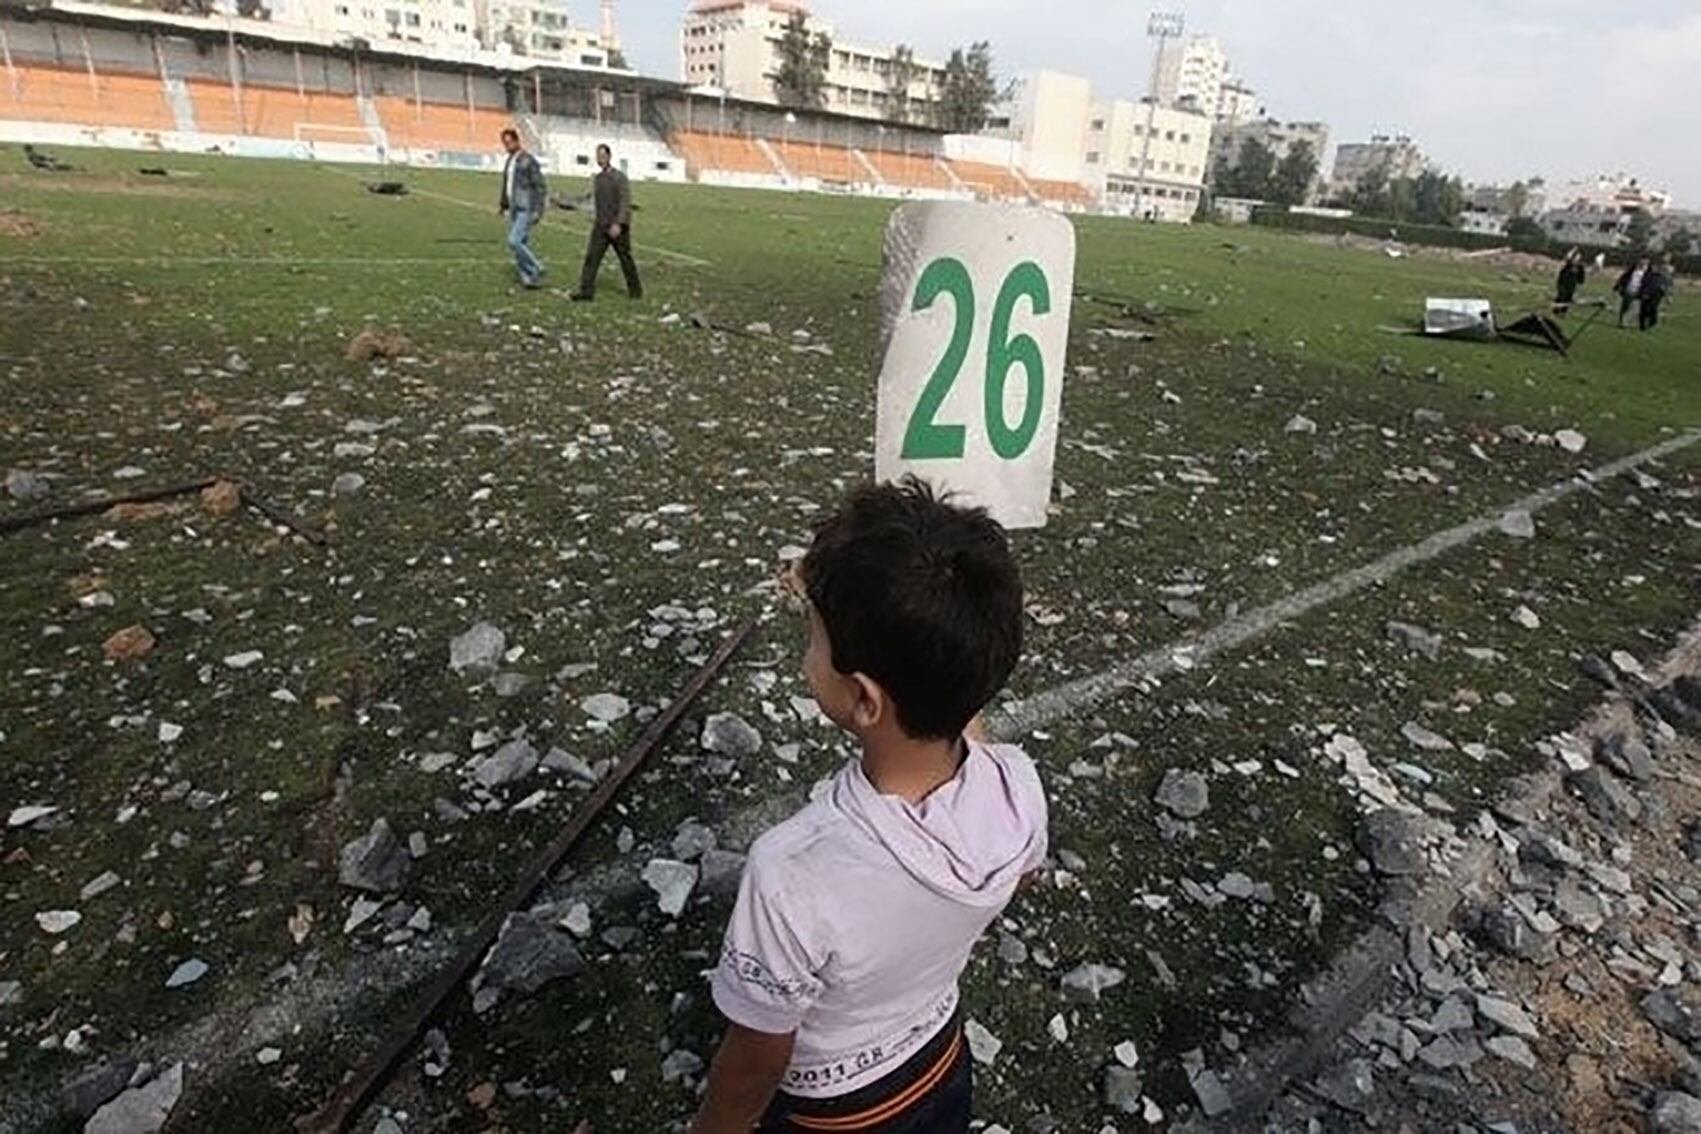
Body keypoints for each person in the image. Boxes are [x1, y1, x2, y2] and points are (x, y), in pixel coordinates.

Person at [689, 479, 1048, 1134]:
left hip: (834, 1113)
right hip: (941, 1069)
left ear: (862, 699)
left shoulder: (790, 870)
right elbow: (1019, 869)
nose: (807, 654)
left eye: (814, 641)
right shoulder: (1016, 786)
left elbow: (758, 1056)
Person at [570, 143, 642, 301]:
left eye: (603, 156)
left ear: (609, 157)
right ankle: (586, 292)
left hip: (617, 227)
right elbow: (595, 200)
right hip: (600, 226)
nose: (600, 159)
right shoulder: (598, 179)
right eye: (598, 156)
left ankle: (635, 291)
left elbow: (625, 201)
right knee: (591, 258)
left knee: (625, 259)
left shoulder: (619, 177)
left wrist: (619, 223)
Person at [497, 127, 547, 289]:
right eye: (505, 144)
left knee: (514, 241)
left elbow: (540, 186)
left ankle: (536, 267)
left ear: (517, 141)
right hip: (513, 207)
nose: (507, 146)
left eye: (509, 143)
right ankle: (528, 279)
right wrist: (503, 205)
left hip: (525, 207)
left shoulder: (528, 160)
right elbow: (507, 184)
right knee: (521, 243)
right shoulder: (510, 161)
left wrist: (538, 210)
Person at [1638, 257, 1674, 332]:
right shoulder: (1649, 274)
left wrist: (1669, 297)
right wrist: (1643, 292)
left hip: (1657, 293)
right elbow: (1643, 283)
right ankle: (1642, 325)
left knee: (1652, 308)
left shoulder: (1665, 276)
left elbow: (1668, 287)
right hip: (1646, 292)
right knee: (1643, 309)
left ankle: (1651, 323)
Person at [1614, 257, 1650, 327]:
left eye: (1645, 263)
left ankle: (1625, 321)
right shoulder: (1632, 271)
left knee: (1636, 309)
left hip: (1639, 293)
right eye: (1642, 263)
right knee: (1625, 307)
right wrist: (1617, 286)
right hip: (1629, 291)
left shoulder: (1647, 274)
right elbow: (1623, 279)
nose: (1643, 265)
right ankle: (1622, 322)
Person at [1553, 247, 1586, 314]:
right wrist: (1573, 249)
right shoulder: (1568, 264)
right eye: (1576, 257)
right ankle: (1556, 310)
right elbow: (1567, 257)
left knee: (1568, 298)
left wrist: (1579, 288)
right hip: (1563, 283)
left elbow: (1581, 279)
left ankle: (1563, 312)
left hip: (1572, 285)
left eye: (1579, 257)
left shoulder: (1580, 267)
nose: (1577, 259)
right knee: (1562, 295)